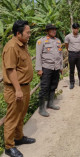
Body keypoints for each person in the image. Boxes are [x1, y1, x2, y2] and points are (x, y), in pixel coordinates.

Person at [2, 20, 35, 157]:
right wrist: (18, 90)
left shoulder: (23, 45)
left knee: (21, 115)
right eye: (27, 32)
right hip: (15, 89)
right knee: (12, 118)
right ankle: (9, 147)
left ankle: (19, 137)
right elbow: (11, 70)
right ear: (18, 33)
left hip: (24, 86)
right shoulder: (11, 47)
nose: (29, 35)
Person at [35, 24, 63, 117]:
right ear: (47, 31)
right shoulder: (41, 41)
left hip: (56, 68)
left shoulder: (58, 41)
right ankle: (41, 108)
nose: (54, 31)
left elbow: (60, 55)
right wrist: (39, 69)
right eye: (52, 30)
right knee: (44, 88)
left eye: (55, 29)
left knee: (53, 85)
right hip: (46, 67)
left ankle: (50, 103)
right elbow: (38, 56)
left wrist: (61, 67)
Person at [65, 23, 80, 89]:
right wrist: (70, 51)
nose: (76, 30)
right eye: (75, 29)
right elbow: (66, 45)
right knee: (71, 69)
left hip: (78, 54)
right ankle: (72, 82)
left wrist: (78, 49)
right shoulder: (68, 37)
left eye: (77, 29)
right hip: (71, 54)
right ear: (72, 29)